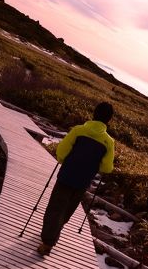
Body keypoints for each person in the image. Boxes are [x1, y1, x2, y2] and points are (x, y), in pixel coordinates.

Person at [37, 102, 115, 256]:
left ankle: (48, 242)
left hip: (66, 175)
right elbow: (107, 168)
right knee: (67, 210)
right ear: (109, 120)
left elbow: (62, 151)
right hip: (83, 182)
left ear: (94, 113)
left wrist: (63, 159)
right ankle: (52, 233)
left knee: (55, 208)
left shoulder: (78, 131)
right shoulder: (108, 142)